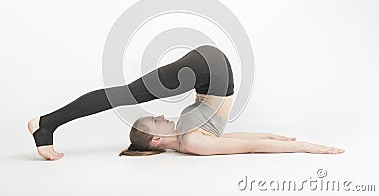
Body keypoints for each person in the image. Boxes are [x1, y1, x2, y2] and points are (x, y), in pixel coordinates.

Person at [28, 45, 344, 160]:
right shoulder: (192, 141)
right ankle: (46, 124)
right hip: (208, 68)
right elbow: (245, 144)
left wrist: (289, 141)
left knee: (123, 94)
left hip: (208, 69)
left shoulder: (186, 136)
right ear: (156, 139)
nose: (162, 116)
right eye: (155, 122)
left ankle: (47, 124)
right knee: (122, 94)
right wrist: (303, 145)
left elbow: (241, 142)